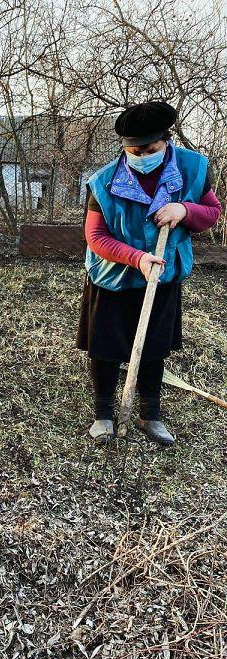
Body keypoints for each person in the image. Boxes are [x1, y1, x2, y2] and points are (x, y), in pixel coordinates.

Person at [77, 101, 222, 445]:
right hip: (112, 276)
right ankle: (103, 415)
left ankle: (150, 415)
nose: (142, 156)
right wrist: (137, 257)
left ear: (166, 140)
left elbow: (212, 212)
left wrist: (184, 209)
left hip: (163, 274)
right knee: (106, 346)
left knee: (153, 347)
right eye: (134, 151)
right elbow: (95, 236)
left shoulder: (192, 168)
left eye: (150, 149)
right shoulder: (104, 181)